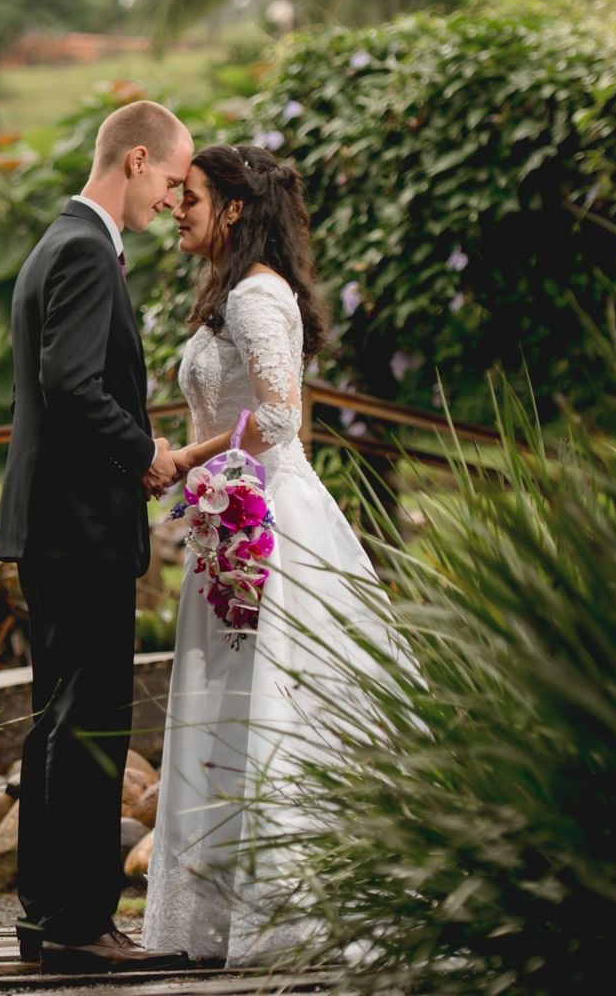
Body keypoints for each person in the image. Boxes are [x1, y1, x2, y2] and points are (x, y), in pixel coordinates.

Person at [141, 142, 387, 966]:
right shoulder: (239, 293)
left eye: (193, 198)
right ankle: (231, 907)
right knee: (239, 705)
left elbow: (280, 421)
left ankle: (287, 911)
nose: (177, 208)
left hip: (265, 520)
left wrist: (186, 460)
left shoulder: (252, 298)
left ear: (235, 210)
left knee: (271, 702)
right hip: (235, 512)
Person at [0, 100, 196, 974]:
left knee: (56, 721)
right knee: (87, 727)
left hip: (56, 525)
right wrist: (144, 453)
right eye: (172, 182)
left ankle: (48, 916)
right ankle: (80, 926)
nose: (172, 201)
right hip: (79, 527)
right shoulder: (82, 249)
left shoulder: (56, 243)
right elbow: (72, 385)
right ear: (137, 159)